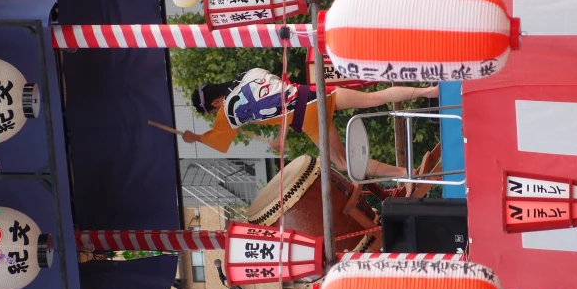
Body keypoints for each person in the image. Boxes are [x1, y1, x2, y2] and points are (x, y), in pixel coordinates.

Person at [182, 68, 438, 179]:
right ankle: (429, 92)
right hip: (316, 94)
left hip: (308, 120)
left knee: (344, 164)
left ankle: (404, 174)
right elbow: (281, 95)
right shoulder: (251, 73)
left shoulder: (230, 113)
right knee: (376, 98)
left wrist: (197, 138)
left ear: (215, 103)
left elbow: (219, 138)